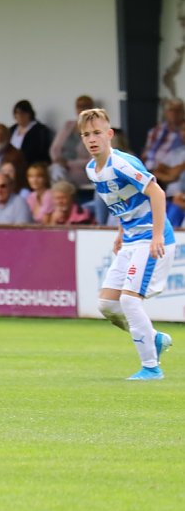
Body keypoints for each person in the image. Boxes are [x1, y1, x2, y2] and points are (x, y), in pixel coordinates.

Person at [81, 107, 174, 380]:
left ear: (109, 134)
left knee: (129, 301)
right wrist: (121, 232)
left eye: (97, 133)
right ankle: (154, 338)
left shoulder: (122, 164)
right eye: (86, 135)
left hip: (150, 240)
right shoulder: (92, 170)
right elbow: (121, 201)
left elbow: (157, 193)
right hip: (131, 240)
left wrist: (157, 236)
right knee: (107, 305)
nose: (92, 139)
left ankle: (151, 367)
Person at [49, 95, 94, 183]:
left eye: (85, 106)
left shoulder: (96, 129)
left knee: (58, 175)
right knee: (52, 170)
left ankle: (60, 187)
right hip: (60, 166)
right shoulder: (68, 125)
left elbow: (92, 160)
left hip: (81, 170)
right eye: (79, 106)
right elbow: (55, 148)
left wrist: (68, 163)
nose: (82, 109)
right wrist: (58, 161)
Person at [143, 97, 184, 172]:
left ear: (183, 113)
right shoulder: (156, 131)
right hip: (149, 169)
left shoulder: (183, 131)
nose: (174, 113)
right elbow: (146, 152)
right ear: (166, 112)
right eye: (171, 110)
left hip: (170, 172)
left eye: (178, 110)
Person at [10, 99, 52, 167]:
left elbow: (40, 152)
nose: (19, 116)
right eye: (16, 113)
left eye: (22, 113)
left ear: (29, 113)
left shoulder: (40, 130)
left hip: (30, 165)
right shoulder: (12, 129)